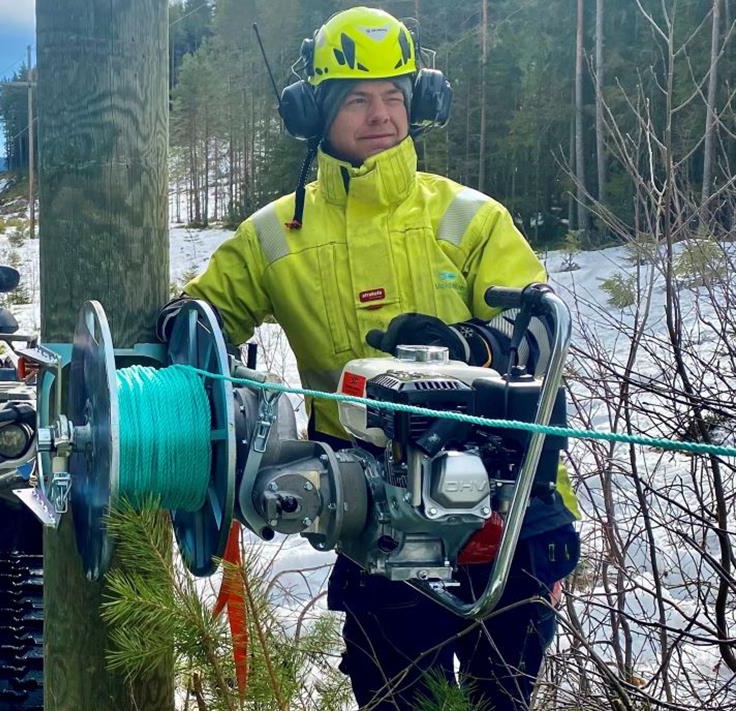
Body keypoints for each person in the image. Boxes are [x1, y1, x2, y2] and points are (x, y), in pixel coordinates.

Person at [160, 7, 581, 710]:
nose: (380, 114)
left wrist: (472, 346)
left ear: (421, 101)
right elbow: (196, 325)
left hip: (507, 517)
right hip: (375, 522)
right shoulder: (273, 235)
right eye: (357, 98)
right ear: (314, 111)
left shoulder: (470, 217)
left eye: (394, 95)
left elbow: (541, 334)